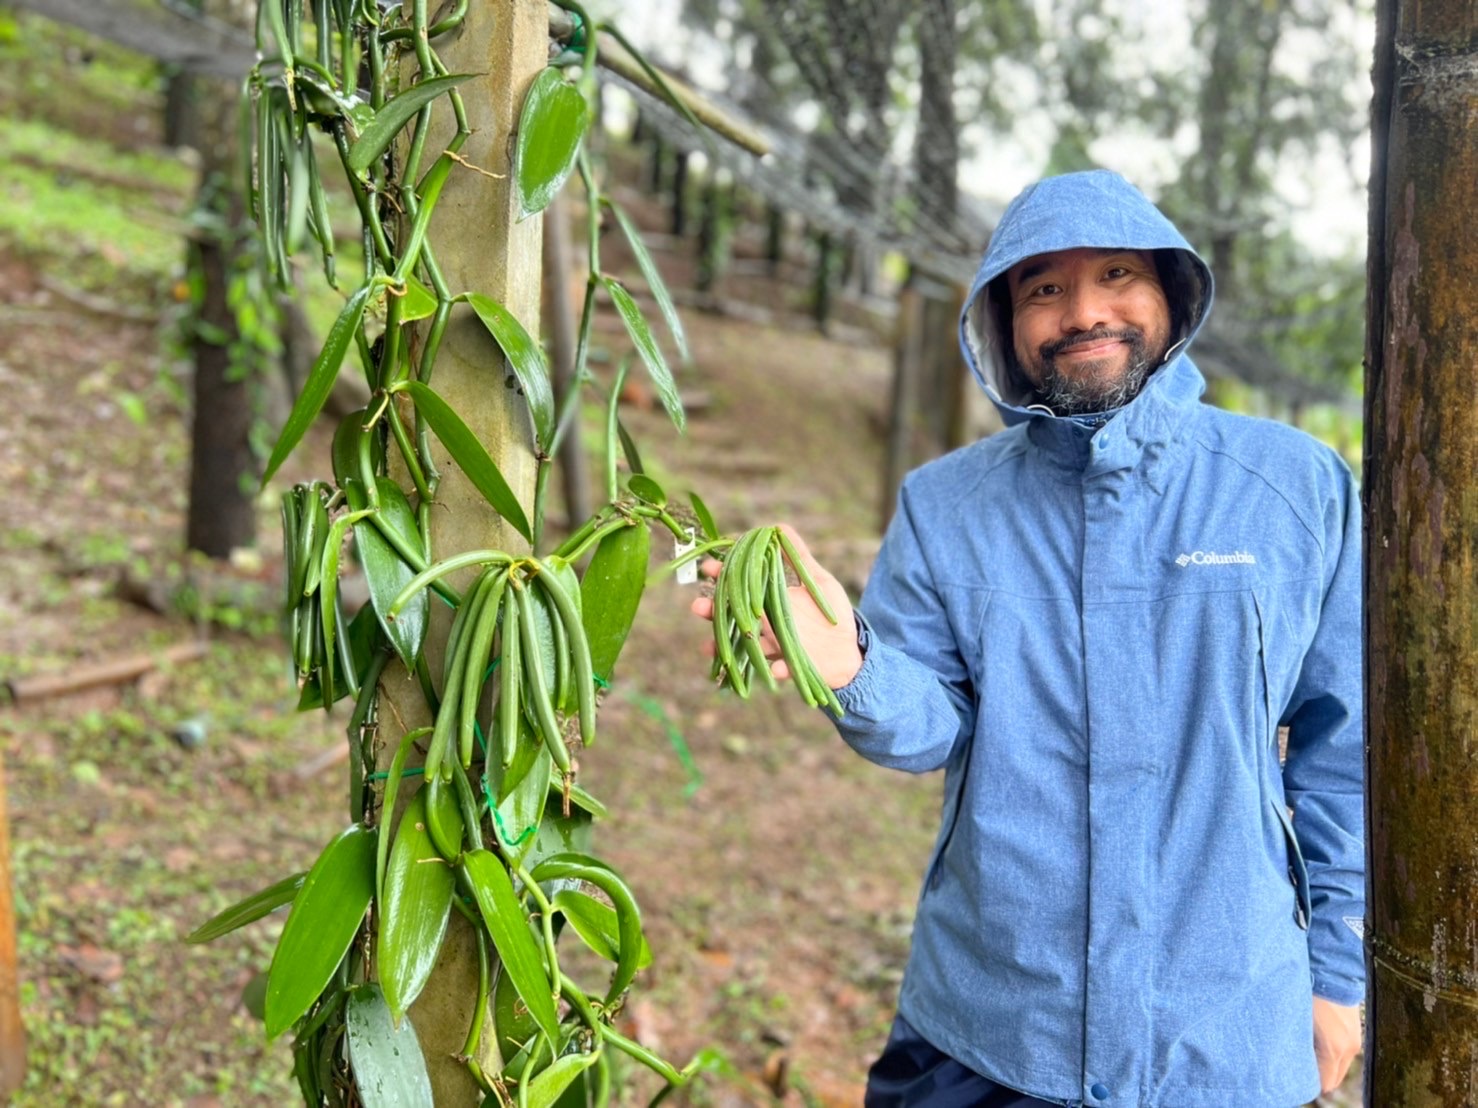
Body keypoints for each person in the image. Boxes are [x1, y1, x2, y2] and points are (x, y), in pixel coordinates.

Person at [691, 170, 1364, 1107]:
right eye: (1043, 287)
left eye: (1118, 274)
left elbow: (1347, 755)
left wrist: (1336, 977)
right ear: (1003, 322)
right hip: (988, 1031)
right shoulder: (946, 504)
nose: (1083, 312)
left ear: (1172, 292)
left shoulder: (1297, 488)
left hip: (1220, 1038)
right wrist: (853, 664)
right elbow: (933, 724)